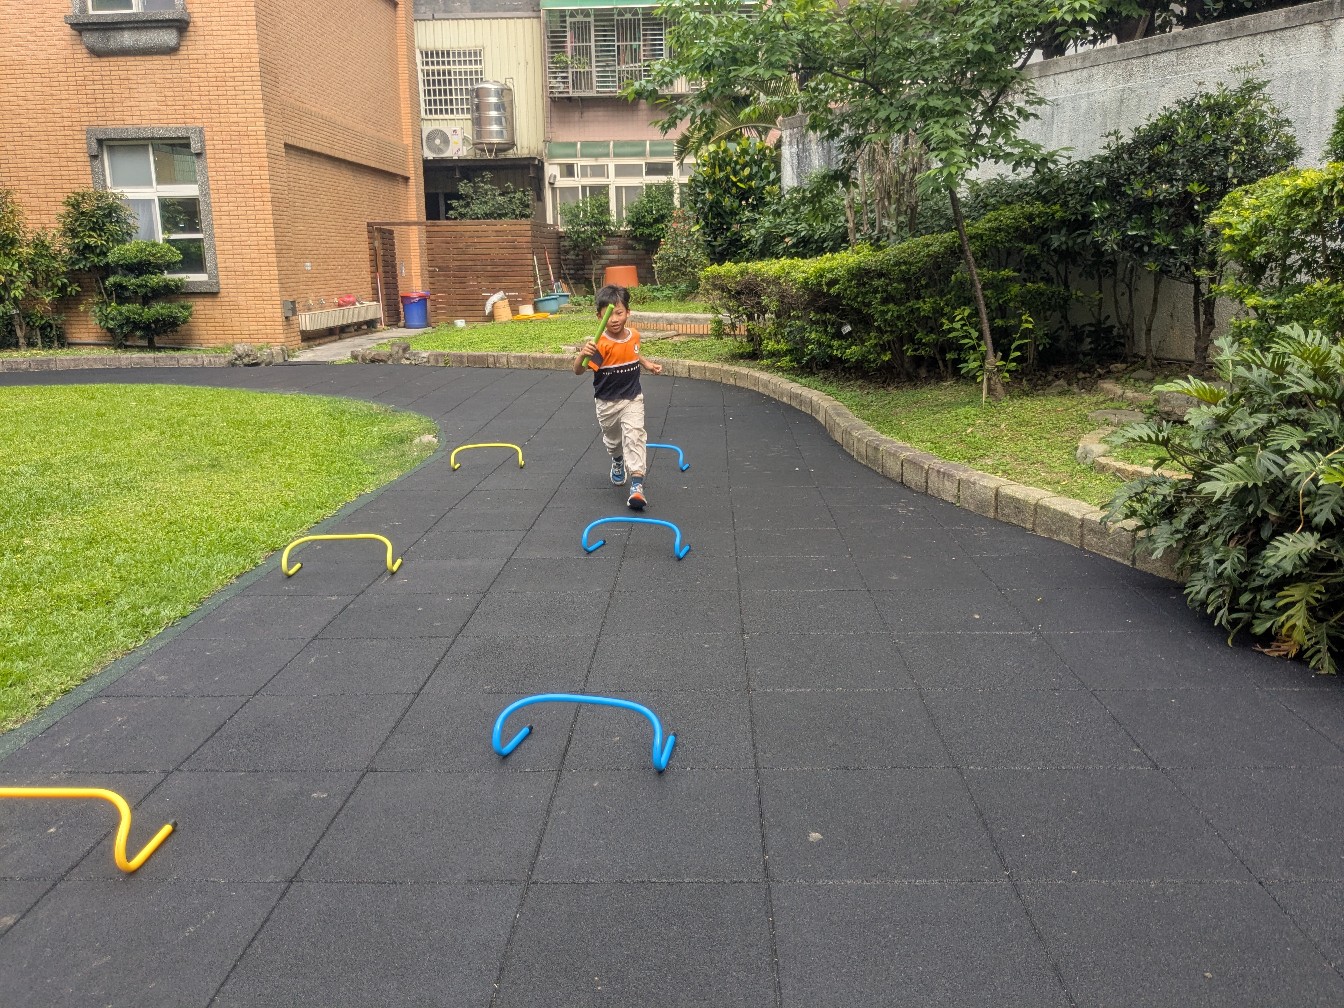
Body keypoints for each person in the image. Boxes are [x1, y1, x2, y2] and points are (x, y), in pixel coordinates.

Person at [573, 284, 663, 510]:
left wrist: (646, 363)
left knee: (635, 435)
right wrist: (582, 355)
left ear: (628, 313)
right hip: (607, 402)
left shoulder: (634, 336)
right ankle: (617, 459)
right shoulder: (600, 345)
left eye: (619, 313)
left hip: (632, 397)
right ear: (599, 317)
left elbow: (633, 352)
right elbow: (578, 371)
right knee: (614, 442)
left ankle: (637, 486)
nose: (614, 319)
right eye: (608, 315)